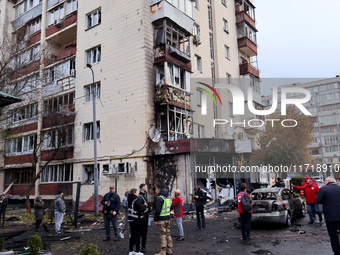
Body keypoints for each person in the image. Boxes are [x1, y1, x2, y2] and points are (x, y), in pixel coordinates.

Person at [316, 177, 340, 255]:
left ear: (328, 181)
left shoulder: (323, 189)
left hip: (330, 216)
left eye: (325, 182)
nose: (324, 183)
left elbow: (318, 200)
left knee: (333, 235)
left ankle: (337, 251)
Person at [154, 184, 173, 255]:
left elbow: (157, 210)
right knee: (168, 234)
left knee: (163, 235)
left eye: (156, 189)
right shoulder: (169, 198)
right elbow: (171, 207)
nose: (155, 191)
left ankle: (163, 251)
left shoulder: (160, 198)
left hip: (161, 219)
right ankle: (169, 250)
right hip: (168, 218)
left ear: (159, 190)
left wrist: (155, 219)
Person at [128, 188, 146, 254]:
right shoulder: (136, 200)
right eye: (137, 192)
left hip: (131, 219)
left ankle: (131, 250)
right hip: (137, 220)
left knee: (132, 235)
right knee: (137, 235)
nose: (138, 194)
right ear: (135, 193)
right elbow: (142, 208)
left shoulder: (129, 199)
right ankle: (137, 251)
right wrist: (144, 205)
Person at [138, 183, 150, 253]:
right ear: (143, 188)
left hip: (145, 217)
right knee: (141, 232)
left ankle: (143, 246)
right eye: (146, 187)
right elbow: (140, 208)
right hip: (142, 217)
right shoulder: (140, 197)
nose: (147, 188)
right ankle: (140, 246)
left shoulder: (144, 196)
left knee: (144, 232)